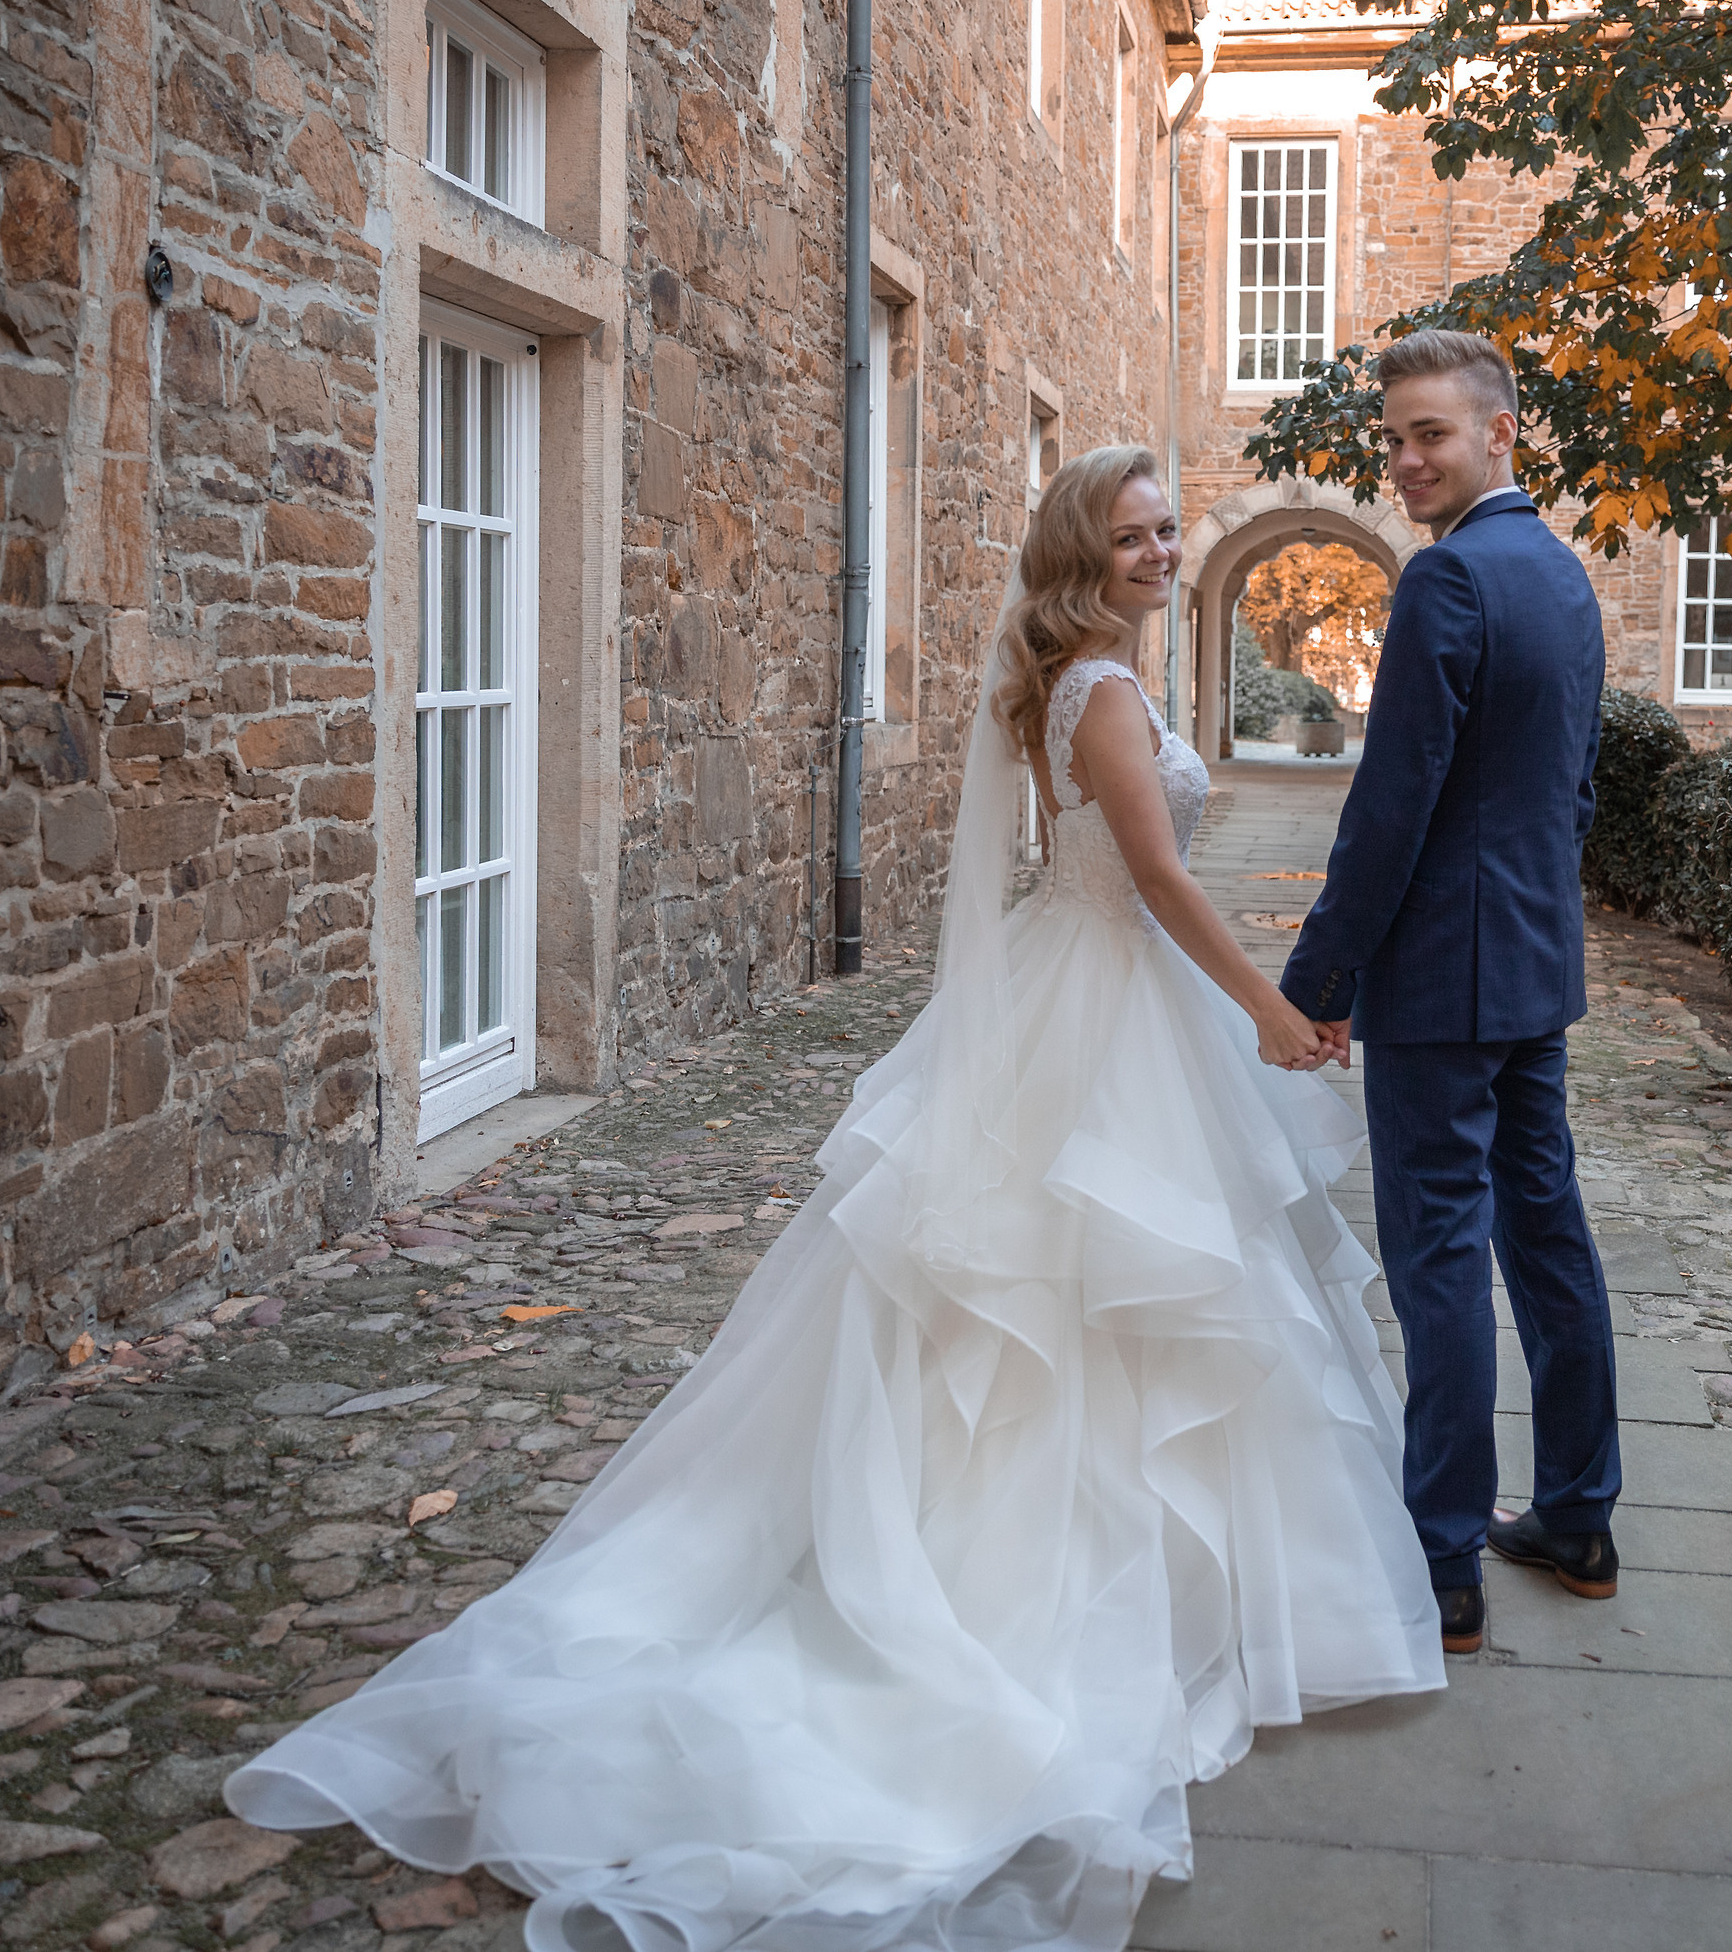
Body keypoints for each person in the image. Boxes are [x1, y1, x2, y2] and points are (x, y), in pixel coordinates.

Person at [226, 444, 1443, 1952]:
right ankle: (1034, 1590)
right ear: (1079, 555)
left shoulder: (1078, 682)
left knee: (1107, 1284)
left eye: (1165, 531)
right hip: (1114, 1008)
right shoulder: (1108, 697)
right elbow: (1159, 880)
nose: (1153, 551)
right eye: (1128, 536)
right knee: (1085, 1285)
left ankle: (1137, 1565)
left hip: (1095, 1001)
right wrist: (1270, 1009)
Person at [1279, 328, 1623, 1656]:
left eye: (1431, 434)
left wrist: (1322, 975)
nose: (1408, 459)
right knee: (1547, 1239)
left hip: (1440, 980)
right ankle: (1582, 1519)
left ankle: (1443, 1562)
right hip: (1532, 965)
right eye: (1396, 438)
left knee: (1439, 1261)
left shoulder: (1449, 581)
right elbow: (1570, 790)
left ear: (1500, 436)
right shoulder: (1560, 574)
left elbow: (1392, 807)